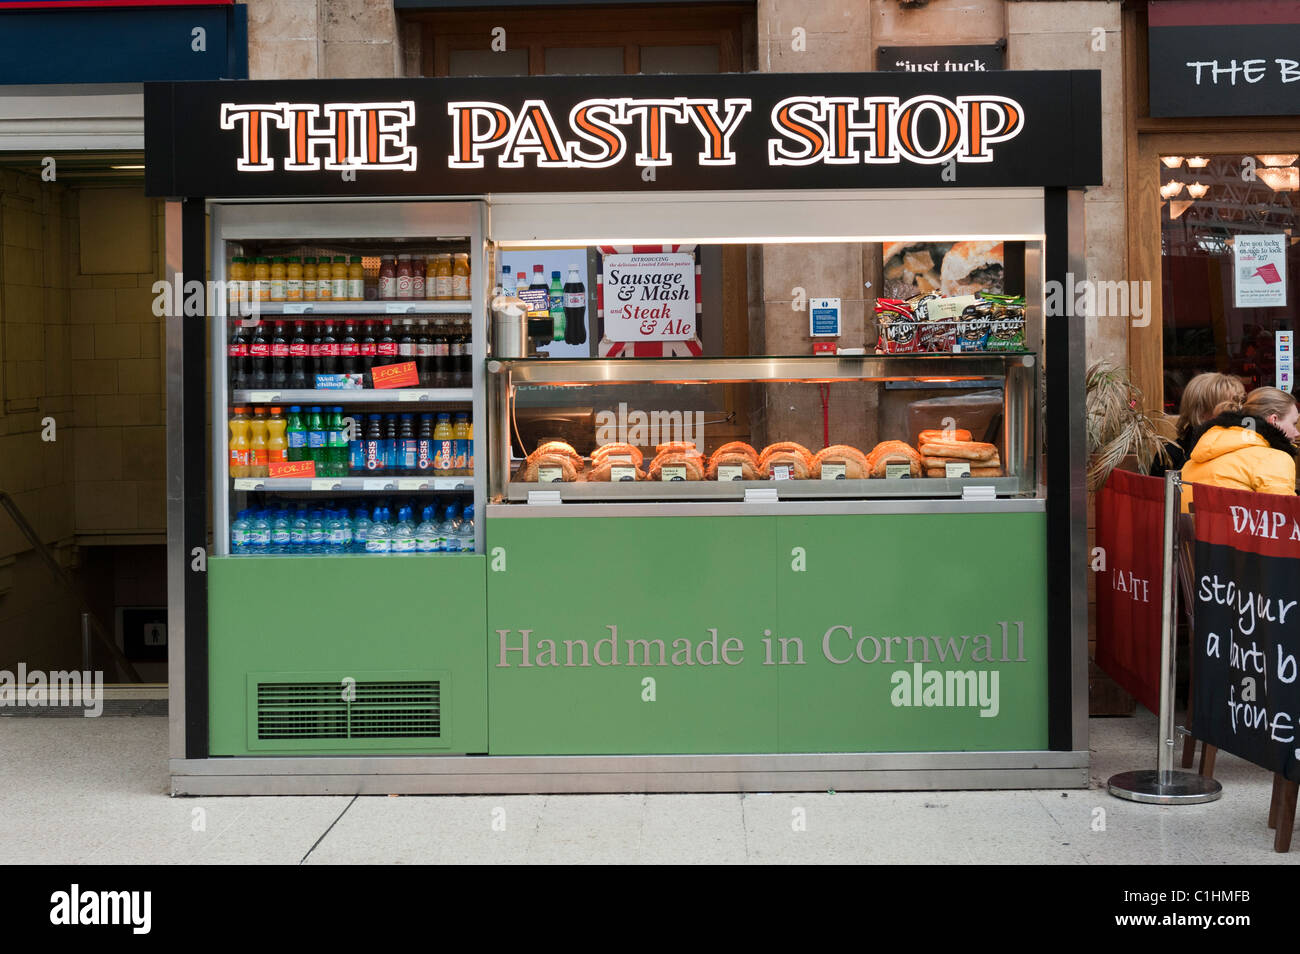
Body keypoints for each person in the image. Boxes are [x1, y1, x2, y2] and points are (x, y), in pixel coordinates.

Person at [1179, 386, 1299, 511]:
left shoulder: (1200, 453)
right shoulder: (1274, 458)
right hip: (1232, 529)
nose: (1297, 433)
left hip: (1189, 529)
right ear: (1274, 420)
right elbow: (1285, 517)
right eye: (1294, 424)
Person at [1151, 372, 1246, 477]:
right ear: (1201, 411)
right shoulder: (1170, 455)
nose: (1237, 413)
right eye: (1228, 407)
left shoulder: (1243, 445)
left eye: (1239, 406)